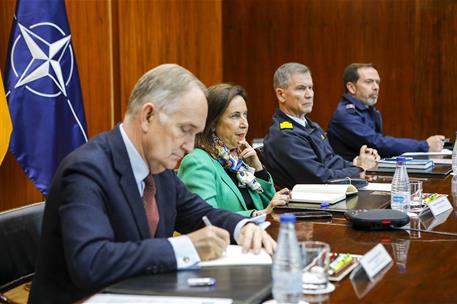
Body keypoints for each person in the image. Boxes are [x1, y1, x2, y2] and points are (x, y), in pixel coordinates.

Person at [28, 64, 276, 304]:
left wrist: (242, 227)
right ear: (148, 116)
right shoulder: (86, 169)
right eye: (185, 130)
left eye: (195, 133)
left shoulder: (158, 168)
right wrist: (185, 247)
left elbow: (201, 212)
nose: (190, 146)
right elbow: (91, 262)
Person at [178, 83, 290, 217]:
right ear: (213, 123)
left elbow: (269, 204)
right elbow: (204, 218)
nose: (244, 124)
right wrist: (258, 214)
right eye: (235, 116)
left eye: (245, 115)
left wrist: (258, 170)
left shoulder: (237, 159)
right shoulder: (197, 162)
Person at [262, 62, 379, 189]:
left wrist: (358, 163)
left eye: (310, 88)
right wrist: (360, 169)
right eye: (301, 88)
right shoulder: (284, 136)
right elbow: (320, 178)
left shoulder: (310, 126)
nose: (309, 95)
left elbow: (332, 162)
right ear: (281, 94)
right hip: (310, 206)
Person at [327, 63, 445, 160]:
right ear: (351, 87)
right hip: (350, 180)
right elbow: (377, 143)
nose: (376, 87)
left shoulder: (369, 110)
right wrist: (424, 146)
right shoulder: (345, 115)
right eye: (369, 82)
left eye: (377, 82)